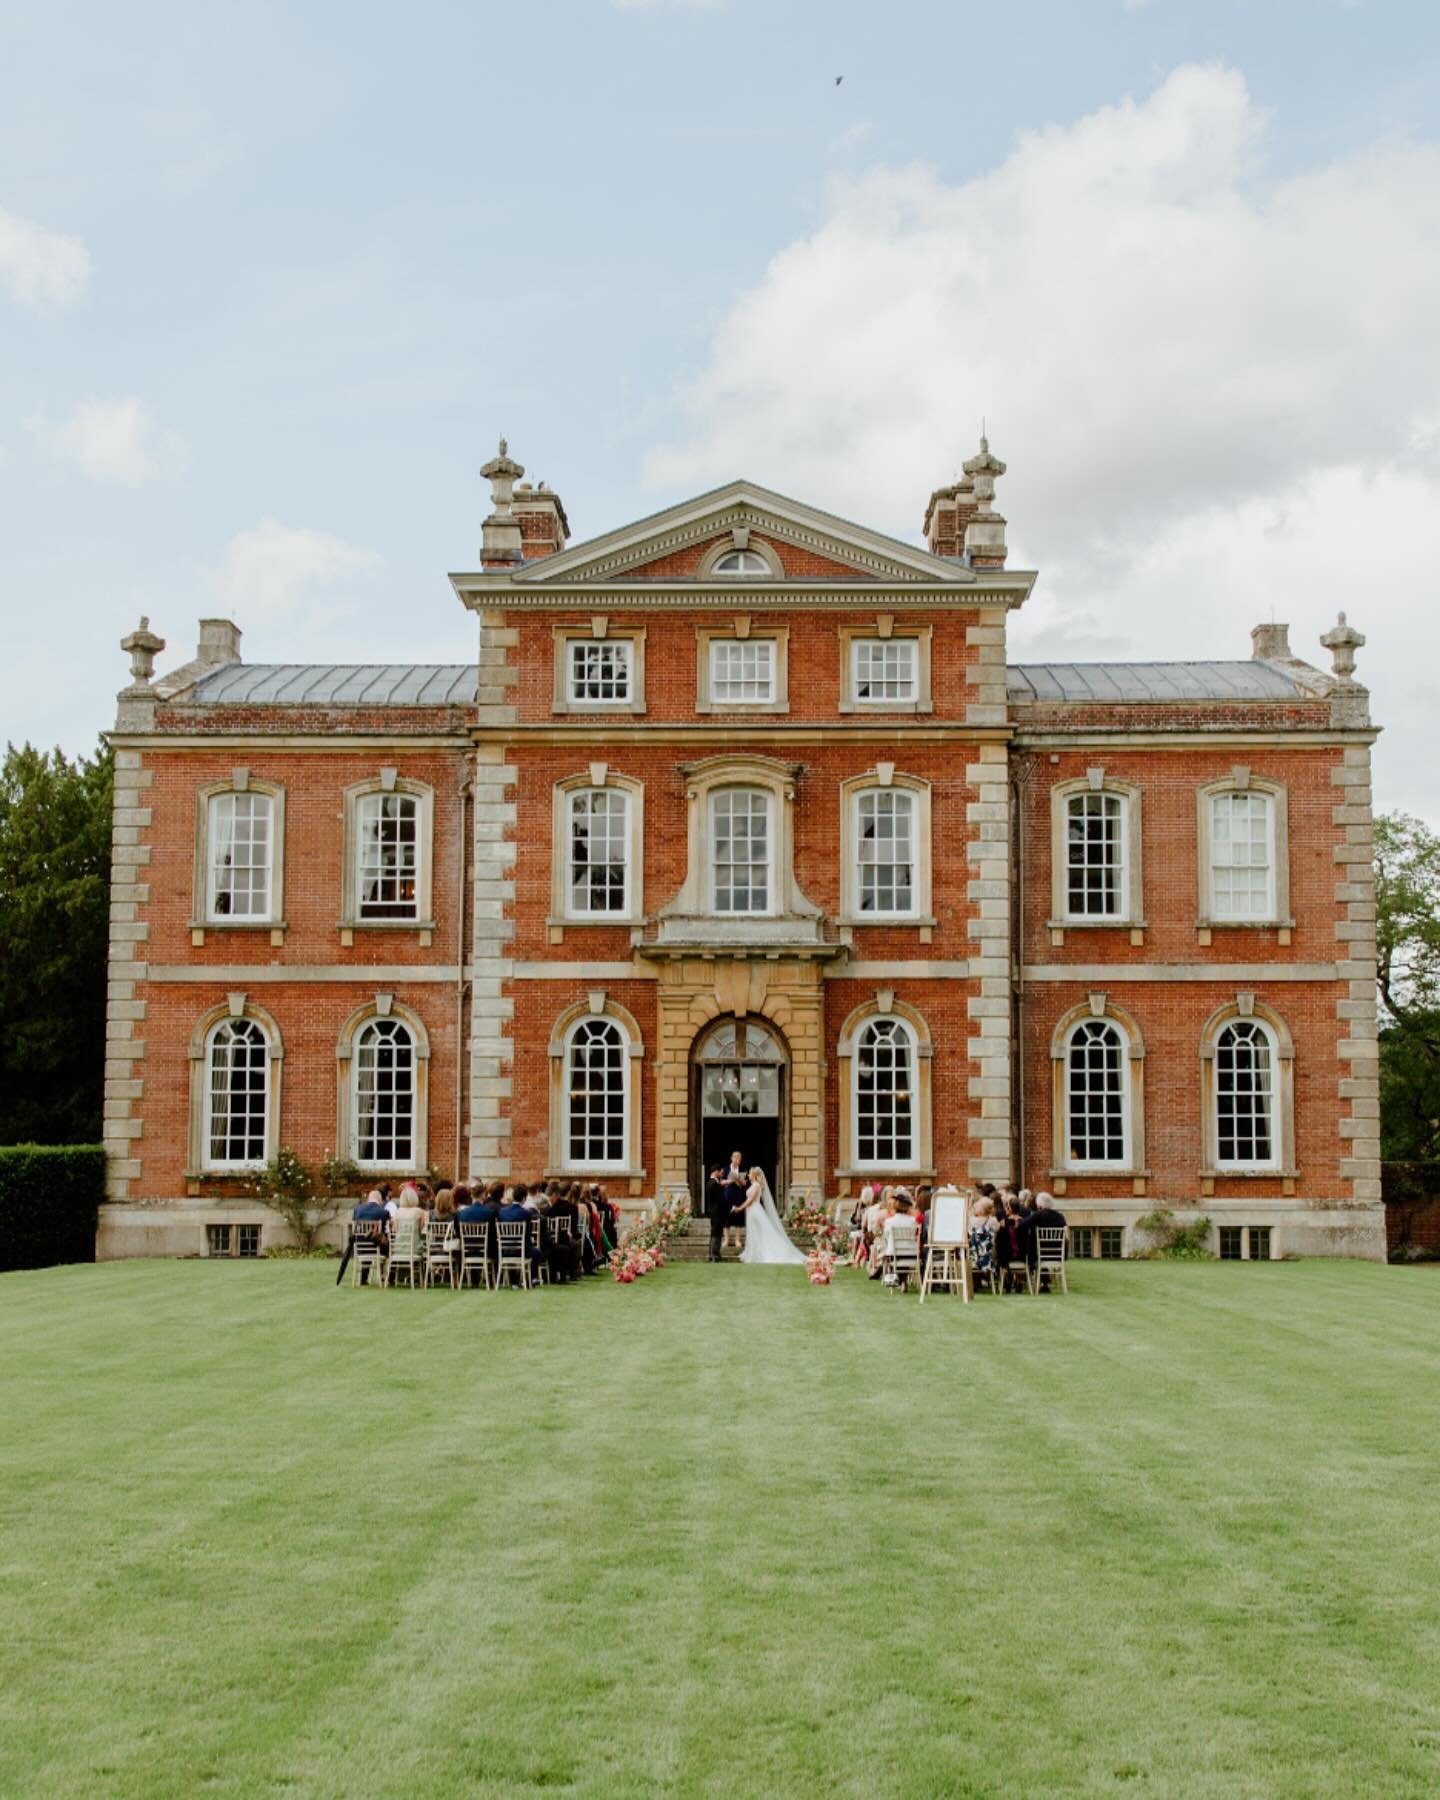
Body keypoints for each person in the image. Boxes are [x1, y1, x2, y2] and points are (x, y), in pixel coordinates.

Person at [738, 1165, 807, 1266]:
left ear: (754, 1175)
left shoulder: (756, 1186)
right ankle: (754, 1253)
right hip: (752, 1211)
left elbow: (750, 1200)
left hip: (755, 1210)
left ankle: (766, 1253)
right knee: (755, 1232)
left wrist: (739, 1208)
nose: (748, 1175)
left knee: (760, 1232)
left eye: (750, 1173)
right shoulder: (754, 1185)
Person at [337, 1188, 389, 1285]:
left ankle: (363, 1278)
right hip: (376, 1247)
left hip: (360, 1247)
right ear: (380, 1200)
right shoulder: (384, 1212)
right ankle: (385, 1276)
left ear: (369, 1199)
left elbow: (355, 1225)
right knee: (386, 1245)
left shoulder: (358, 1209)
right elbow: (384, 1232)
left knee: (369, 1240)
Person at [1018, 1191, 1068, 1288]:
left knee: (1030, 1244)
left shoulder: (1039, 1215)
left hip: (1040, 1253)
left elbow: (1022, 1225)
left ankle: (1026, 1279)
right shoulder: (1060, 1216)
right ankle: (1044, 1282)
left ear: (1039, 1206)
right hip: (1058, 1254)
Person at [722, 1151, 747, 1252]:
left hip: (738, 1195)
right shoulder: (725, 1169)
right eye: (735, 1158)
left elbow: (745, 1183)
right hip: (727, 1195)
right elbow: (721, 1182)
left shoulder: (742, 1169)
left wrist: (739, 1180)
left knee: (738, 1218)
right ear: (731, 1158)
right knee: (726, 1218)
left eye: (739, 1159)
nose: (737, 1160)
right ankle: (726, 1240)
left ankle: (737, 1240)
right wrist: (731, 1180)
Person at [705, 1163, 729, 1263]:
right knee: (716, 1233)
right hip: (717, 1212)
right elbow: (720, 1199)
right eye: (721, 1172)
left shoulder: (713, 1183)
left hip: (715, 1212)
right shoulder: (713, 1183)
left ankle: (712, 1255)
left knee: (714, 1233)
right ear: (716, 1172)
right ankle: (715, 1255)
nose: (722, 1174)